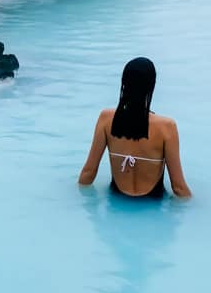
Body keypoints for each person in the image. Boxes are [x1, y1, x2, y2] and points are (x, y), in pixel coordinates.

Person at [78, 57, 192, 199]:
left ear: (124, 83)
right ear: (152, 86)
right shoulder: (167, 127)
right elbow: (179, 188)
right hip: (152, 205)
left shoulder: (106, 119)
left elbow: (88, 174)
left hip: (117, 200)